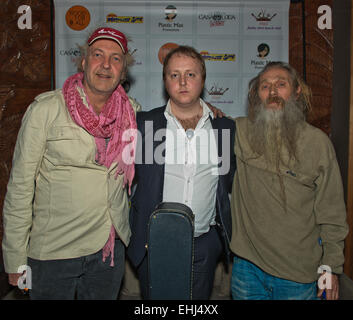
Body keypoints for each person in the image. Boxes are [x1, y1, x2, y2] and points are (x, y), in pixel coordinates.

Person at [2, 26, 140, 299]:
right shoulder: (45, 110)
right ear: (84, 61)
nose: (106, 65)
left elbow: (172, 122)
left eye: (116, 58)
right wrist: (15, 258)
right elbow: (19, 188)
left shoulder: (132, 113)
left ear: (123, 71)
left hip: (107, 251)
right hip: (54, 251)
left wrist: (210, 113)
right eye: (98, 55)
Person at [230, 61, 348, 300]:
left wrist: (330, 268)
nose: (273, 92)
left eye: (281, 84)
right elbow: (197, 118)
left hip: (299, 274)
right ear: (256, 95)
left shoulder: (318, 143)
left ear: (296, 92)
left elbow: (332, 212)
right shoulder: (238, 132)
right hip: (247, 269)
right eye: (265, 86)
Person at [127, 45, 236, 300]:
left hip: (204, 243)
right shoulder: (143, 124)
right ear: (165, 82)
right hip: (153, 242)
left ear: (203, 80)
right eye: (174, 75)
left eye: (191, 74)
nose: (183, 82)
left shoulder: (225, 128)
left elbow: (230, 182)